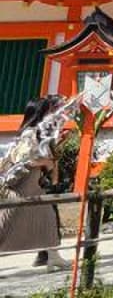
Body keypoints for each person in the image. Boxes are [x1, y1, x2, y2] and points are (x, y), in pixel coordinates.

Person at [0, 96, 70, 270]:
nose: (52, 113)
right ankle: (51, 257)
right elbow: (22, 159)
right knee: (5, 224)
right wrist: (45, 163)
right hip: (22, 185)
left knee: (47, 218)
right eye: (49, 110)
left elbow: (41, 153)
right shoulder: (30, 132)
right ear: (41, 112)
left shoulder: (38, 132)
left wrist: (57, 145)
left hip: (32, 183)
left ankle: (53, 257)